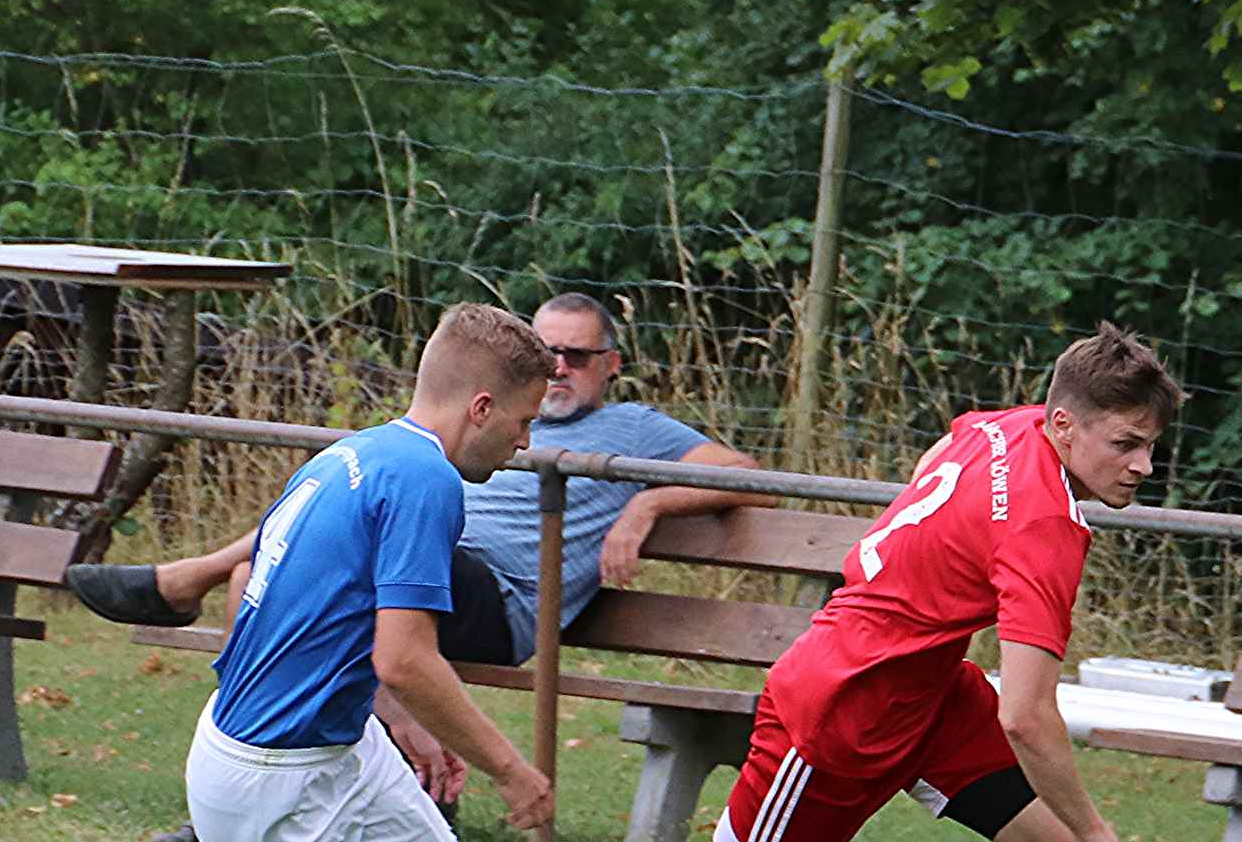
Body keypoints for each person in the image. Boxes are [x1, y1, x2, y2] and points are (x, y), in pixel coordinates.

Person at [438, 322, 1183, 842]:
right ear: (1065, 425)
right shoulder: (1046, 526)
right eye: (1125, 444)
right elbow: (1027, 715)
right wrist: (1092, 823)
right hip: (837, 716)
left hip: (929, 694)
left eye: (1150, 446)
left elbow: (945, 471)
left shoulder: (1001, 426)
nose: (1142, 466)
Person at [0, 303, 559, 842]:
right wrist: (512, 769)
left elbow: (325, 618)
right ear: (481, 406)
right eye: (523, 420)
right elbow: (405, 657)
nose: (525, 443)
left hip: (337, 744)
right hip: (272, 775)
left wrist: (391, 713)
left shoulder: (358, 453)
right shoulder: (427, 481)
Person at [66, 291, 763, 809]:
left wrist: (646, 504)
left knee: (329, 547)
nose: (558, 369)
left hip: (498, 596)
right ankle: (258, 773)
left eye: (576, 357)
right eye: (545, 352)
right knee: (266, 566)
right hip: (427, 563)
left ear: (609, 365)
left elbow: (746, 474)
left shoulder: (633, 429)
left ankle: (185, 582)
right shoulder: (464, 434)